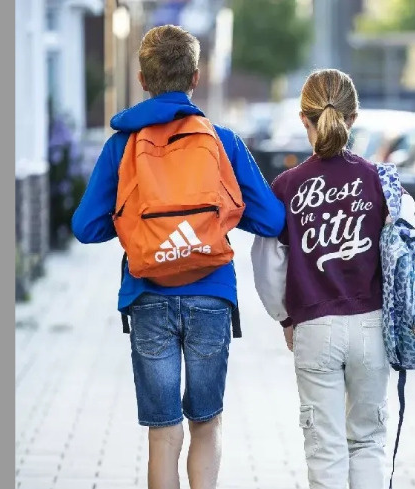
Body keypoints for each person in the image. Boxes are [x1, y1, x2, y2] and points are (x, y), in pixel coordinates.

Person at [70, 25, 285, 489]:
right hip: (211, 294)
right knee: (206, 423)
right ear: (196, 78)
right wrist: (212, 218)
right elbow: (271, 219)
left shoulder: (121, 145)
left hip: (148, 297)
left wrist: (140, 223)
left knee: (163, 432)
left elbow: (85, 227)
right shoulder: (222, 140)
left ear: (142, 80)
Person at [252, 69, 406, 489]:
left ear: (305, 120)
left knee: (325, 448)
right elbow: (403, 255)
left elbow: (267, 266)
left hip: (314, 327)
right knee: (368, 441)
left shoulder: (286, 185)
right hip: (370, 325)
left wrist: (284, 317)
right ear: (353, 118)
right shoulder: (379, 181)